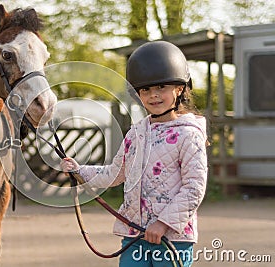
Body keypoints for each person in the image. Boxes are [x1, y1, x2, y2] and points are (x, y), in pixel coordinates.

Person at [61, 41, 208, 267]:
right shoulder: (135, 134)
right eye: (146, 90)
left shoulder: (190, 135)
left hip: (173, 238)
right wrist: (79, 171)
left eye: (161, 88)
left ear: (179, 89)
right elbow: (115, 174)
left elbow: (193, 188)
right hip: (135, 236)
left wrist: (163, 223)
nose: (154, 96)